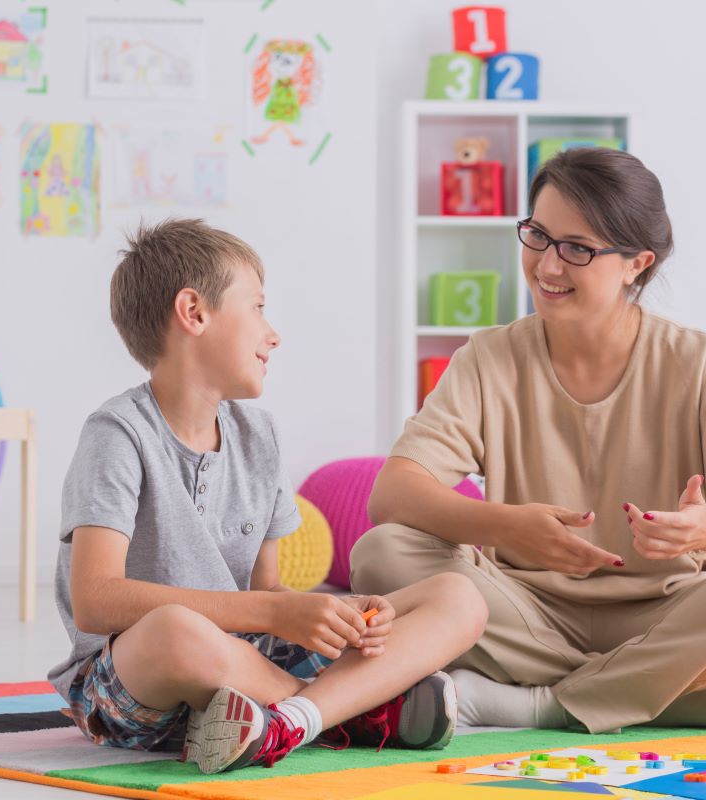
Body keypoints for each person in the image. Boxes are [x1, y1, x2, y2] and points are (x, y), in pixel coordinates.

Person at [352, 148, 706, 735]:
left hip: (667, 615)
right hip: (523, 610)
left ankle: (546, 705)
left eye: (578, 249)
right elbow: (394, 494)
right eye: (537, 235)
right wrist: (505, 526)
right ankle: (657, 694)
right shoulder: (489, 357)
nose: (547, 265)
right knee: (382, 552)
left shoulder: (694, 362)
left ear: (637, 263)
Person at [48, 218, 488, 774]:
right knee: (175, 628)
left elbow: (268, 591)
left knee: (459, 593)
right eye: (257, 308)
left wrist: (334, 615)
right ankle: (345, 712)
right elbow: (96, 600)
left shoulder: (261, 436)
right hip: (134, 685)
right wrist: (276, 610)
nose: (272, 333)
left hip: (247, 667)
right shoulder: (117, 434)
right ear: (195, 313)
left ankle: (291, 721)